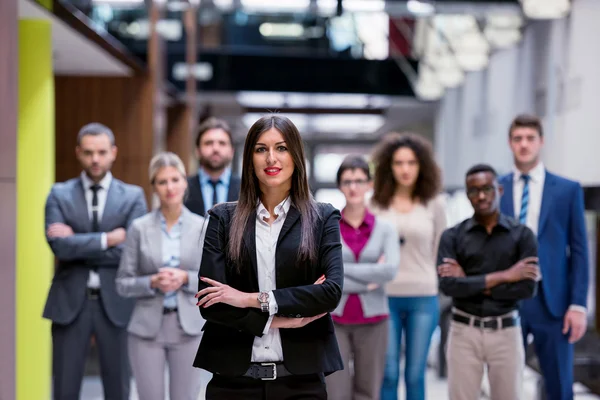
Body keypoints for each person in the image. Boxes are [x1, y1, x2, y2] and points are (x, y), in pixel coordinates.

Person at [193, 114, 344, 400]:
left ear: (296, 156)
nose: (271, 158)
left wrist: (249, 299)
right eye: (261, 149)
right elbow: (210, 303)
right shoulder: (222, 218)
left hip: (301, 383)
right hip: (233, 382)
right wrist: (277, 320)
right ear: (249, 158)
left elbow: (330, 293)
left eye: (282, 148)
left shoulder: (323, 217)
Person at [43, 123, 147, 400]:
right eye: (89, 152)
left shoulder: (133, 196)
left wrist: (77, 240)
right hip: (69, 304)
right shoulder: (59, 194)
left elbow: (132, 252)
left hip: (117, 302)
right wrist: (107, 240)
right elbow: (59, 247)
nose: (95, 159)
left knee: (119, 389)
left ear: (113, 152)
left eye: (101, 152)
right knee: (64, 388)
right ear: (78, 153)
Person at [498, 114, 589, 400]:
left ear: (541, 142)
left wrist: (577, 304)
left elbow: (579, 251)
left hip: (554, 303)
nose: (524, 145)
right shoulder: (494, 190)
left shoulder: (567, 190)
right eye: (517, 139)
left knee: (559, 386)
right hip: (507, 299)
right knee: (505, 384)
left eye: (530, 138)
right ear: (510, 143)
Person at [438, 163, 540, 400]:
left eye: (487, 189)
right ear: (467, 195)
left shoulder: (523, 235)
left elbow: (526, 288)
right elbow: (448, 286)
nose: (481, 196)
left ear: (499, 190)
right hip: (464, 331)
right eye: (474, 191)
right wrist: (504, 276)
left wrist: (469, 282)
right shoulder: (452, 236)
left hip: (506, 331)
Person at [116, 152, 206, 400]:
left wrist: (185, 278)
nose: (170, 187)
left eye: (175, 179)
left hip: (189, 327)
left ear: (185, 182)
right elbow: (123, 283)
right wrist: (151, 282)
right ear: (154, 187)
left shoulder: (202, 226)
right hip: (146, 329)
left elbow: (212, 279)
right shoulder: (139, 228)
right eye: (162, 181)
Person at [370, 132, 447, 400]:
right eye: (399, 163)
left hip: (423, 296)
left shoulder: (434, 203)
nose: (405, 169)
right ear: (388, 167)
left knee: (415, 374)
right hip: (384, 296)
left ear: (421, 165)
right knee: (388, 373)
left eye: (411, 163)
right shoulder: (375, 203)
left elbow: (440, 250)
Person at [325, 155, 400, 400]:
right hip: (335, 320)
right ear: (339, 186)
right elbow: (323, 274)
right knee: (336, 392)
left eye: (359, 180)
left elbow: (389, 270)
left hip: (375, 320)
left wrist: (341, 273)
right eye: (347, 181)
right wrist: (369, 280)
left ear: (370, 185)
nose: (353, 187)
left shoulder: (385, 228)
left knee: (368, 392)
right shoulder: (328, 225)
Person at [185, 117, 240, 216]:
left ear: (232, 152)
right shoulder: (183, 187)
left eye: (222, 143)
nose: (215, 148)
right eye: (209, 143)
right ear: (197, 151)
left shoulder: (245, 188)